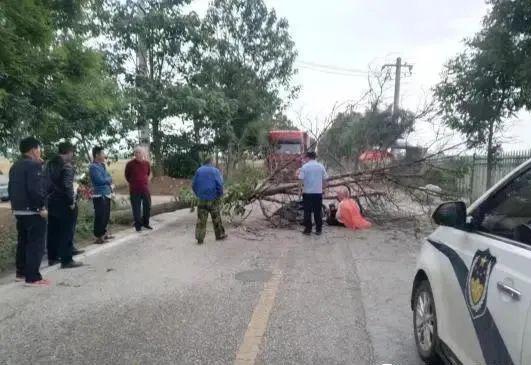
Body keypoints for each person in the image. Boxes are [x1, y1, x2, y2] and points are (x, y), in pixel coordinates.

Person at [8, 137, 49, 286]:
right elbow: (35, 189)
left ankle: (21, 272)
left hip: (19, 210)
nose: (40, 151)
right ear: (33, 150)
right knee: (35, 243)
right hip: (33, 211)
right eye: (39, 148)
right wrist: (41, 207)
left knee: (23, 241)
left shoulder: (15, 166)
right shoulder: (33, 166)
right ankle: (33, 277)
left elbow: (11, 188)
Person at [46, 142, 83, 269]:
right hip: (63, 202)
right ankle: (67, 259)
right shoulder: (67, 166)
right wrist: (71, 202)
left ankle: (53, 257)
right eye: (72, 153)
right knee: (67, 231)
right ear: (69, 152)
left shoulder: (49, 164)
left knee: (53, 231)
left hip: (51, 201)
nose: (72, 155)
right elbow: (68, 186)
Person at [192, 157, 227, 245]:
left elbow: (194, 185)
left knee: (201, 219)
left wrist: (198, 194)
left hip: (202, 199)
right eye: (214, 162)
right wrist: (220, 195)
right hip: (213, 198)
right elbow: (219, 184)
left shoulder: (199, 170)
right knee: (216, 218)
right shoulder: (215, 171)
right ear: (211, 162)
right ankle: (220, 235)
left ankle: (200, 239)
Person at [298, 151, 328, 235]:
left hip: (307, 193)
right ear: (315, 157)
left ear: (308, 157)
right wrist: (324, 190)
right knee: (317, 211)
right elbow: (325, 179)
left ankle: (308, 230)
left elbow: (300, 180)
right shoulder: (320, 166)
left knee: (307, 211)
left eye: (305, 158)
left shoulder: (304, 167)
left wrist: (299, 191)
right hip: (318, 193)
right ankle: (318, 230)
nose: (304, 159)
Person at [89, 146, 114, 244]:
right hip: (99, 195)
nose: (104, 155)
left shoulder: (102, 165)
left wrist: (107, 180)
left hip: (106, 193)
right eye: (103, 154)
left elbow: (108, 176)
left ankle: (103, 233)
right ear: (97, 155)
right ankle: (98, 236)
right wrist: (108, 180)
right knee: (100, 216)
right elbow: (99, 180)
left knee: (106, 215)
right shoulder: (93, 167)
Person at [125, 146, 152, 232]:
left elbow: (148, 173)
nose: (137, 154)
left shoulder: (146, 163)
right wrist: (133, 182)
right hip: (134, 189)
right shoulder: (130, 164)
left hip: (144, 188)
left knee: (147, 206)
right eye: (136, 152)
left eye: (139, 152)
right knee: (136, 208)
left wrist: (143, 181)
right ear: (134, 154)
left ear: (143, 154)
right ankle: (138, 226)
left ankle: (146, 223)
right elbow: (127, 176)